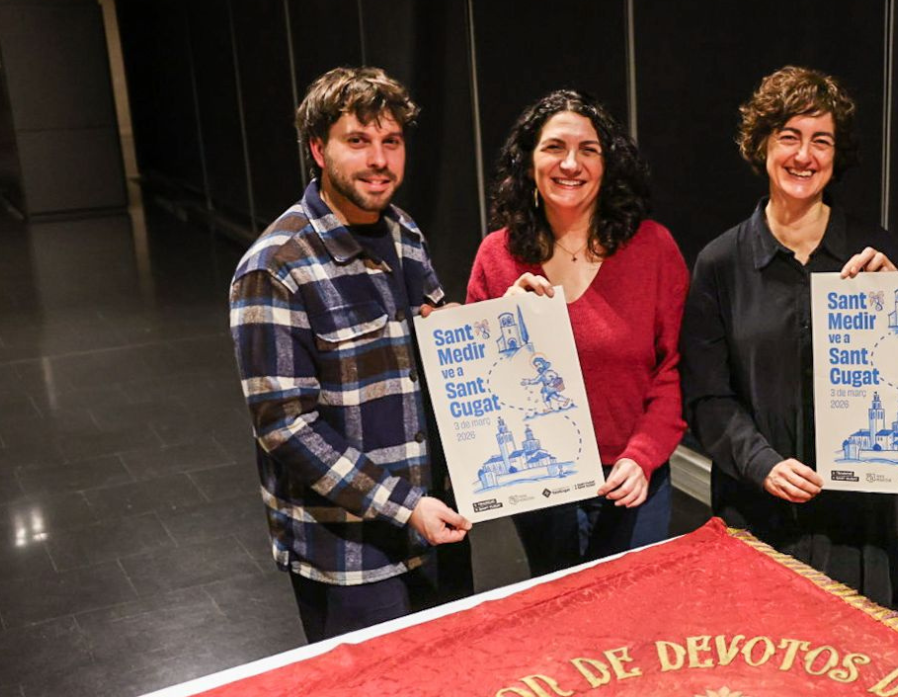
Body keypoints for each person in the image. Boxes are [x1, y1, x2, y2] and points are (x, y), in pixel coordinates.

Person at [230, 67, 472, 643]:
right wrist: (403, 505)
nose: (379, 160)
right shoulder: (274, 266)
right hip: (348, 553)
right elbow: (286, 428)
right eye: (358, 142)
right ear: (319, 149)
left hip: (435, 524)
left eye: (391, 142)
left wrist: (507, 321)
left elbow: (438, 345)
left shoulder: (405, 233)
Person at [681, 66, 898, 612]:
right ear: (762, 145)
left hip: (857, 525)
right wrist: (762, 463)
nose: (804, 155)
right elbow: (708, 397)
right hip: (756, 512)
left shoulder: (877, 254)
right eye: (789, 137)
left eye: (820, 140)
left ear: (836, 155)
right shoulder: (720, 263)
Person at [467, 89, 687, 576]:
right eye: (554, 148)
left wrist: (644, 455)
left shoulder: (653, 248)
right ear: (528, 163)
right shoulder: (496, 257)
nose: (571, 163)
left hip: (632, 477)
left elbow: (675, 370)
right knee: (564, 625)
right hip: (543, 483)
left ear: (608, 166)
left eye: (588, 149)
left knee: (634, 625)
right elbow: (477, 386)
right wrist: (503, 323)